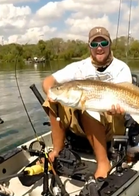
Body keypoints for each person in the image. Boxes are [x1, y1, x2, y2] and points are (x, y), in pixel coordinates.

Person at [41, 26, 133, 179]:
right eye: (94, 44)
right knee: (53, 101)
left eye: (103, 43)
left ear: (110, 44)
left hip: (112, 125)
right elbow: (49, 80)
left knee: (88, 107)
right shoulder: (79, 67)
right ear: (89, 46)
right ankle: (57, 150)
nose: (99, 48)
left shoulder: (121, 68)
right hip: (83, 122)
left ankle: (103, 162)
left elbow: (127, 97)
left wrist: (119, 110)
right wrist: (51, 92)